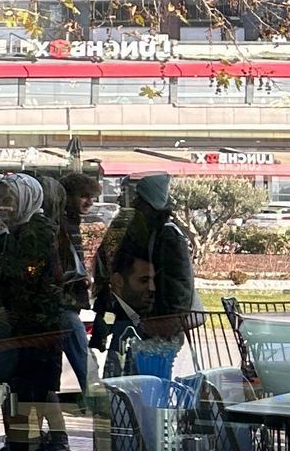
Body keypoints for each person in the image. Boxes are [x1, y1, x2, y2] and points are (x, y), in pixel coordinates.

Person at [0, 172, 66, 451]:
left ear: (26, 199)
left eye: (8, 199)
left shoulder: (37, 234)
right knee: (18, 403)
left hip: (34, 338)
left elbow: (22, 281)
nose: (1, 206)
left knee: (27, 406)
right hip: (21, 337)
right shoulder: (15, 233)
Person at [94, 172, 196, 381]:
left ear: (149, 203)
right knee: (119, 381)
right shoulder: (130, 228)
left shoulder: (167, 235)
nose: (127, 201)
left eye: (137, 198)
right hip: (129, 319)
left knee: (149, 386)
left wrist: (167, 323)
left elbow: (179, 286)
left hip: (153, 326)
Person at [56, 166, 102, 403]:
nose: (89, 203)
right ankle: (99, 408)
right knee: (85, 363)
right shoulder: (62, 225)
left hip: (66, 303)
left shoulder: (70, 223)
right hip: (63, 304)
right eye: (84, 196)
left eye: (92, 198)